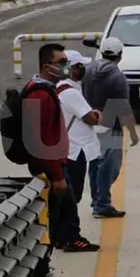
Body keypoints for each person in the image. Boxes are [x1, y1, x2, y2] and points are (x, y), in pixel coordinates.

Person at [20, 43, 73, 277]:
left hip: (51, 171)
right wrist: (57, 176)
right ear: (46, 66)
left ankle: (41, 273)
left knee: (51, 224)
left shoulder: (45, 91)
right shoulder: (39, 95)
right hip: (47, 174)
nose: (65, 66)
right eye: (61, 62)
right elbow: (39, 141)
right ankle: (41, 276)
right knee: (46, 227)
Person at [82, 37, 139, 218]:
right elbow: (124, 107)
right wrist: (132, 132)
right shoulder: (118, 77)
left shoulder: (88, 70)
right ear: (119, 55)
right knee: (111, 167)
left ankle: (97, 200)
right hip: (111, 127)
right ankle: (102, 204)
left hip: (90, 125)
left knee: (95, 165)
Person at [53, 50, 101, 253]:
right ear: (71, 69)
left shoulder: (61, 88)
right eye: (80, 65)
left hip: (69, 149)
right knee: (73, 198)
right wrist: (97, 114)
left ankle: (61, 236)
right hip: (75, 151)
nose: (83, 69)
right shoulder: (71, 93)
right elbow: (91, 118)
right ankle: (72, 237)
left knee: (67, 197)